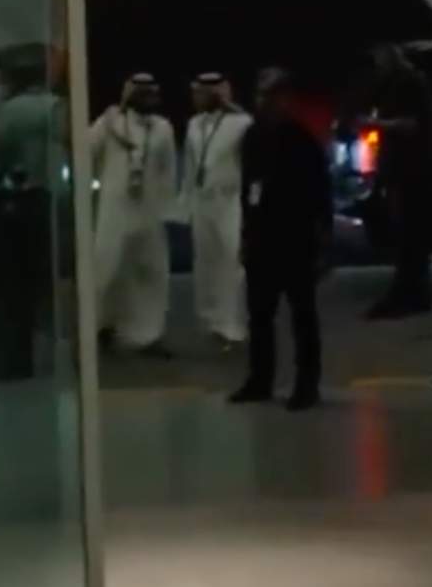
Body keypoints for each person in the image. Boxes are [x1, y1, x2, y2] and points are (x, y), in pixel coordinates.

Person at [229, 69, 331, 412]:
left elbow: (320, 195)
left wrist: (322, 244)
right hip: (261, 240)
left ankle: (307, 385)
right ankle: (260, 380)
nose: (266, 101)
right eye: (261, 94)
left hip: (295, 240)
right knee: (260, 316)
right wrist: (245, 234)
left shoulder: (302, 140)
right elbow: (247, 189)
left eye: (272, 95)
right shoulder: (253, 137)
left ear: (286, 98)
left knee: (302, 315)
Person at [89, 73, 178, 356]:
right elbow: (87, 152)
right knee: (107, 269)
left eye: (152, 92)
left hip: (149, 212)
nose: (149, 98)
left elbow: (168, 170)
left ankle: (148, 336)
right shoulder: (109, 123)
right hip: (114, 210)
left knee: (150, 273)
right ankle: (101, 327)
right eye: (142, 93)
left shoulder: (163, 128)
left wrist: (169, 209)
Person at [361, 44, 432, 320]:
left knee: (411, 234)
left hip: (413, 170)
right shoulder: (395, 83)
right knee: (406, 235)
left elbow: (411, 124)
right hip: (401, 169)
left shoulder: (411, 83)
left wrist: (377, 124)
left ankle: (410, 294)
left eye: (380, 55)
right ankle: (411, 293)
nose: (377, 61)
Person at [182, 72, 253, 350]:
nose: (195, 98)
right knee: (206, 263)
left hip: (230, 201)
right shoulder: (193, 124)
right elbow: (189, 167)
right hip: (202, 201)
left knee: (230, 263)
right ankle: (212, 322)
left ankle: (233, 328)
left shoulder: (241, 123)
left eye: (201, 93)